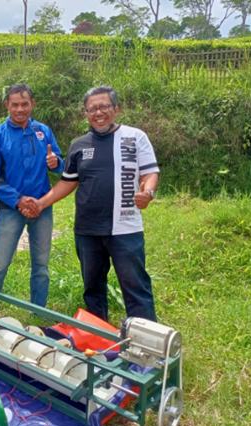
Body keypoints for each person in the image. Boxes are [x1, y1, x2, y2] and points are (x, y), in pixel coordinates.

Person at [24, 85, 159, 322]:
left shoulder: (135, 137)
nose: (98, 112)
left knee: (136, 288)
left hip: (126, 228)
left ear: (116, 109)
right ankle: (99, 344)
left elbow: (149, 173)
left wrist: (147, 192)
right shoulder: (79, 145)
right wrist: (41, 204)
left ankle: (146, 348)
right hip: (87, 230)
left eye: (104, 106)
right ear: (85, 114)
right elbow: (67, 182)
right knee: (93, 290)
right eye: (92, 109)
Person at [0, 83, 64, 312]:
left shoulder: (43, 131)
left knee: (41, 264)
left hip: (42, 208)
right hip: (10, 209)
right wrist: (18, 200)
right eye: (14, 104)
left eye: (24, 104)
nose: (20, 109)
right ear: (7, 105)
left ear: (32, 104)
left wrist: (56, 163)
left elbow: (59, 164)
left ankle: (38, 310)